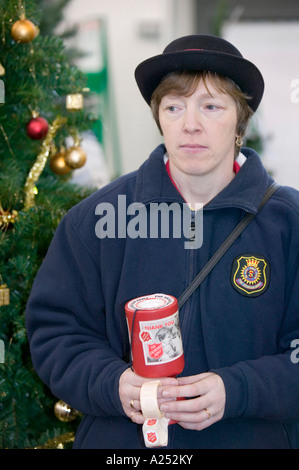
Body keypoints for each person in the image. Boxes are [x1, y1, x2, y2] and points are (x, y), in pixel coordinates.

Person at [25, 34, 299, 449]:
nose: (190, 124)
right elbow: (56, 333)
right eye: (174, 107)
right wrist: (113, 383)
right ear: (160, 117)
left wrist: (238, 389)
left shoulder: (289, 223)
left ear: (239, 122)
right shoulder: (97, 219)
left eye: (211, 106)